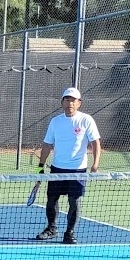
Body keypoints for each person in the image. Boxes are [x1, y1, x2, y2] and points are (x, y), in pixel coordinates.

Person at [34, 86, 102, 244]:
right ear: (62, 102)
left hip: (78, 170)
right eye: (67, 99)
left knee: (74, 201)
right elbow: (46, 145)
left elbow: (95, 143)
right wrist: (40, 168)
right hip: (57, 169)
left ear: (79, 103)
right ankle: (52, 228)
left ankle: (69, 233)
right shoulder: (55, 121)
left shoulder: (86, 120)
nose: (70, 103)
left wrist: (95, 164)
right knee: (51, 200)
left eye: (73, 100)